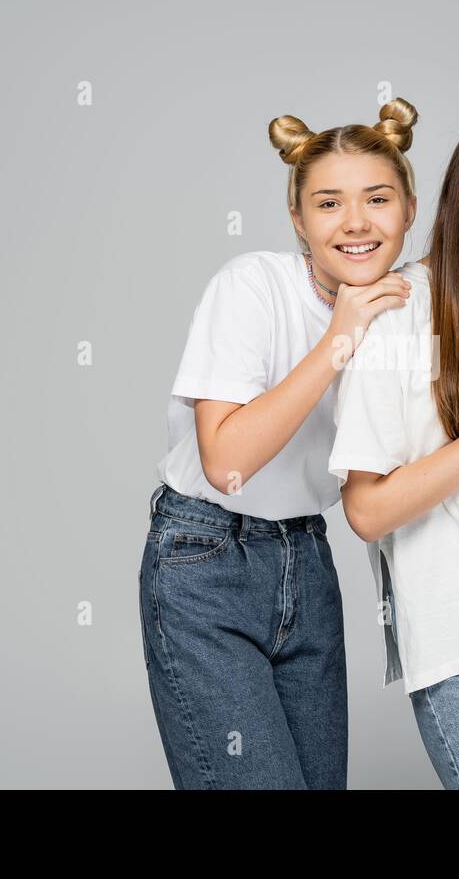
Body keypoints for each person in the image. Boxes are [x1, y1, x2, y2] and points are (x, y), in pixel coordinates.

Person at [139, 99, 418, 789]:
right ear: (299, 219)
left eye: (377, 199)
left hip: (309, 558)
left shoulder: (411, 312)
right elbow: (226, 460)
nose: (355, 222)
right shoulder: (252, 286)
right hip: (206, 560)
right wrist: (339, 338)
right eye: (328, 203)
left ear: (409, 209)